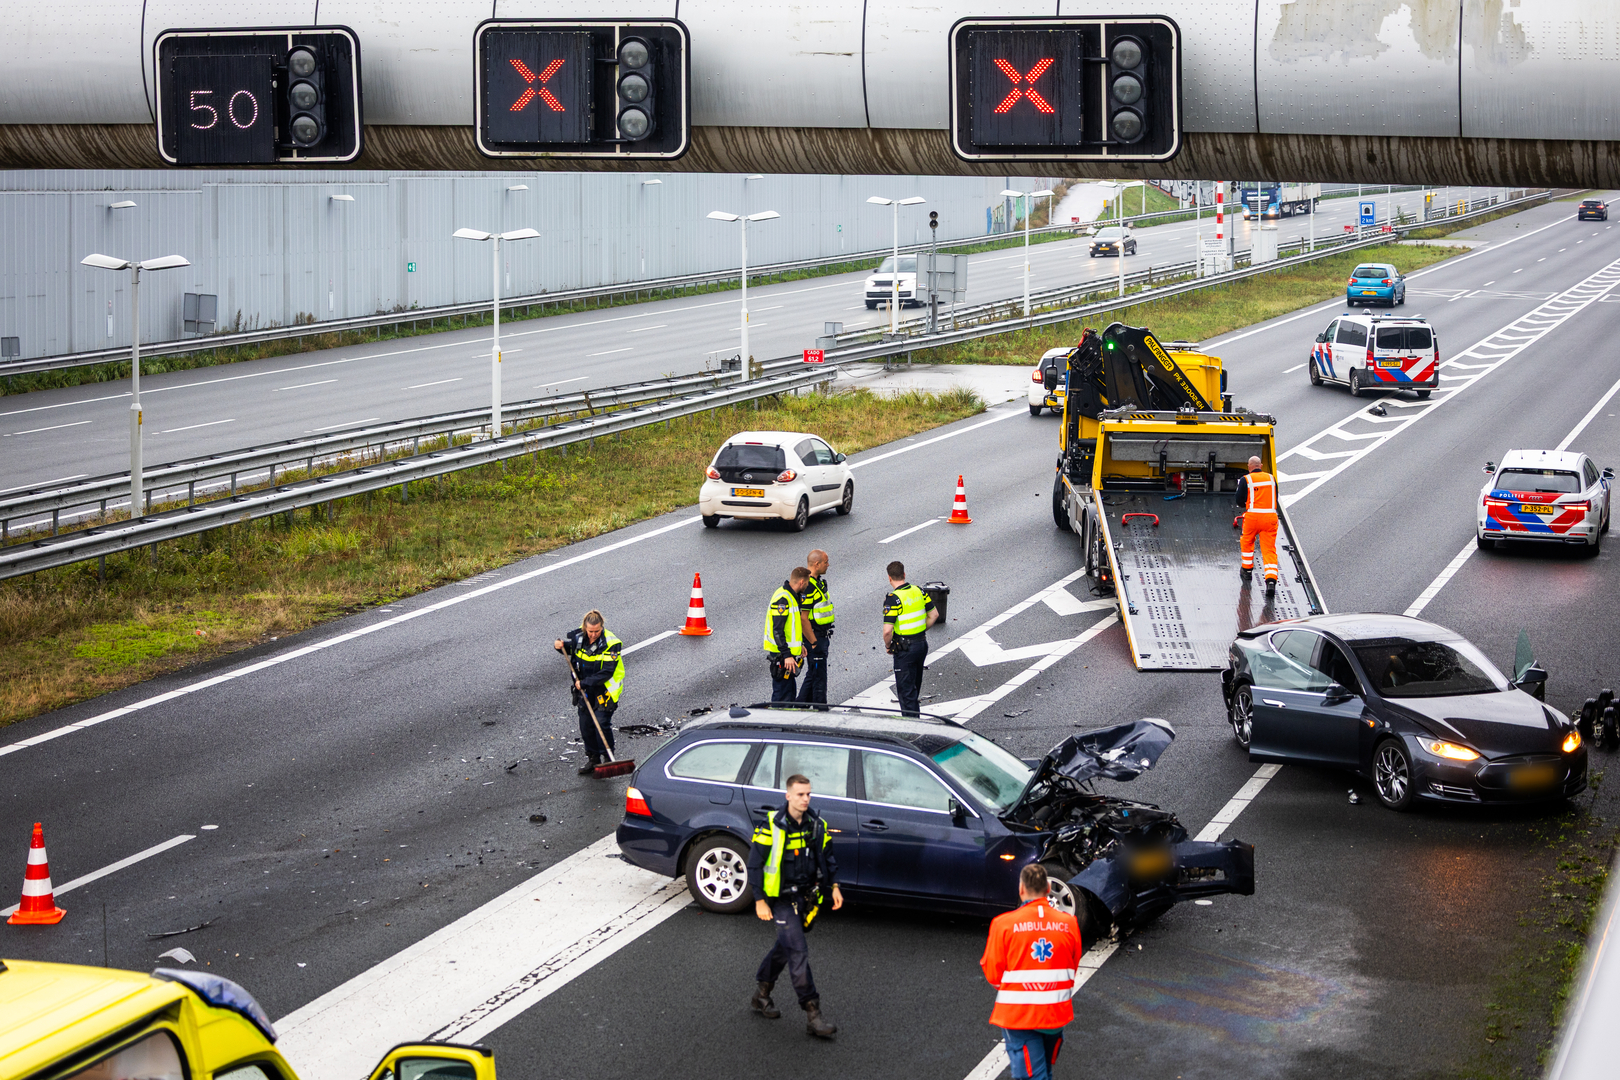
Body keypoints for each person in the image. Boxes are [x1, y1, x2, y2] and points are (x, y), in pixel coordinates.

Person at [747, 773, 844, 1038]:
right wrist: (759, 900)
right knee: (798, 951)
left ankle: (761, 995)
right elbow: (755, 864)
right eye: (800, 794)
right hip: (781, 900)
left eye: (809, 794)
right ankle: (813, 1014)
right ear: (788, 795)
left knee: (786, 947)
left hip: (806, 898)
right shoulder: (771, 826)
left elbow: (828, 858)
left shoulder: (817, 825)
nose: (805, 799)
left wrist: (834, 886)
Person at [980, 864, 1085, 1080]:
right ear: (1048, 889)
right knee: (1044, 1071)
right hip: (1055, 1014)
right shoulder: (1069, 923)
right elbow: (1072, 965)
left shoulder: (1003, 924)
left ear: (1021, 890)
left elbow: (992, 973)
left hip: (1019, 1016)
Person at [553, 610, 624, 776]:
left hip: (604, 690)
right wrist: (560, 646)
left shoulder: (611, 643)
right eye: (590, 631)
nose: (593, 635)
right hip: (584, 690)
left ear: (602, 628)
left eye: (597, 631)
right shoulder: (579, 637)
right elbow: (570, 649)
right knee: (586, 726)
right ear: (585, 628)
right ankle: (593, 759)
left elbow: (607, 671)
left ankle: (608, 758)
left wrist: (583, 682)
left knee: (601, 723)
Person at [882, 560, 939, 717]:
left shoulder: (893, 599)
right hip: (921, 644)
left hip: (905, 649)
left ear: (889, 578)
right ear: (904, 574)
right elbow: (934, 615)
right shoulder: (919, 591)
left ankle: (912, 729)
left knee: (906, 694)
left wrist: (888, 646)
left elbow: (888, 630)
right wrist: (920, 630)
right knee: (914, 687)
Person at [1235, 455, 1279, 598]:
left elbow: (1240, 500)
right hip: (1270, 518)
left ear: (1249, 466)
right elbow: (1275, 497)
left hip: (1253, 518)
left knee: (1247, 541)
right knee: (1269, 549)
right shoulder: (1272, 479)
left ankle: (1247, 571)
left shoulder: (1246, 479)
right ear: (1260, 465)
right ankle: (1271, 580)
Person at [764, 568, 810, 702]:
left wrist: (799, 644)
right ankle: (778, 722)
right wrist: (787, 655)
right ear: (801, 582)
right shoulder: (783, 599)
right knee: (782, 696)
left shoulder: (791, 596)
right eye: (806, 583)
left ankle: (785, 720)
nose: (807, 586)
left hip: (786, 655)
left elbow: (792, 626)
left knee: (788, 694)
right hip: (781, 655)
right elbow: (777, 630)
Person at [796, 549, 834, 708]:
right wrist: (813, 642)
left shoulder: (818, 582)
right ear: (817, 564)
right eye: (826, 562)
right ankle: (820, 711)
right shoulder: (809, 587)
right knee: (819, 678)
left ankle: (798, 708)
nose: (828, 564)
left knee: (813, 674)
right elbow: (803, 618)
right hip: (815, 637)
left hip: (821, 636)